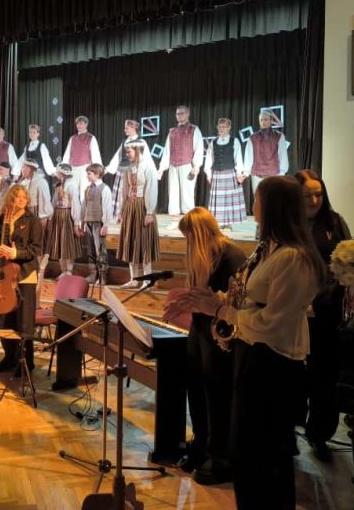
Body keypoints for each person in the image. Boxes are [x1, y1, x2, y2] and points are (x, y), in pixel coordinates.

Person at [179, 176, 324, 510]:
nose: (252, 204)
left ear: (272, 207)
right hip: (253, 358)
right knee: (247, 458)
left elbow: (271, 324)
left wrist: (220, 311)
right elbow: (246, 299)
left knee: (266, 462)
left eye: (256, 199)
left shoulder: (294, 258)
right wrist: (213, 299)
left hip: (275, 366)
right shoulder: (268, 249)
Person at [172, 208, 246, 485]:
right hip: (201, 327)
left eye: (190, 237)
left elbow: (235, 301)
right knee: (195, 385)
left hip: (220, 332)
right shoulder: (204, 255)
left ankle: (220, 453)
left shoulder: (231, 255)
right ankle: (201, 442)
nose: (188, 244)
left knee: (216, 391)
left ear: (200, 233)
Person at [295, 169, 352, 461]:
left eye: (318, 194)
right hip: (293, 311)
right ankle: (290, 430)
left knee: (324, 376)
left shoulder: (335, 222)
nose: (314, 200)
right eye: (307, 195)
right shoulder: (288, 224)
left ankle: (319, 435)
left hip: (326, 312)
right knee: (293, 376)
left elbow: (347, 263)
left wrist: (323, 299)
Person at [0, 185, 43, 374]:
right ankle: (9, 357)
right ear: (10, 199)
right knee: (5, 319)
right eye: (17, 196)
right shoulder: (1, 219)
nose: (21, 200)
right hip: (4, 275)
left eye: (24, 197)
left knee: (24, 321)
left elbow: (36, 249)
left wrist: (15, 253)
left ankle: (25, 362)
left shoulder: (32, 220)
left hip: (25, 274)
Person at [116, 139, 159, 288]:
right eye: (126, 151)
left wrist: (149, 212)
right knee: (131, 242)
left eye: (129, 151)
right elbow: (124, 191)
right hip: (130, 207)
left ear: (138, 150)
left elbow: (151, 189)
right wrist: (121, 211)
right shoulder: (129, 169)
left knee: (144, 243)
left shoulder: (148, 167)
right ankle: (134, 279)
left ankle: (147, 280)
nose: (127, 154)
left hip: (142, 206)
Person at [158, 105, 204, 229]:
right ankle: (175, 221)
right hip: (173, 165)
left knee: (187, 193)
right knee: (173, 193)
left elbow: (199, 148)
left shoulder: (194, 129)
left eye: (182, 113)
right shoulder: (172, 132)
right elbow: (167, 151)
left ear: (188, 114)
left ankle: (189, 222)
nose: (180, 115)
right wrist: (162, 168)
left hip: (187, 165)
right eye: (178, 113)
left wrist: (196, 165)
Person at [204, 118, 247, 229]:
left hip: (230, 173)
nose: (221, 129)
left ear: (229, 128)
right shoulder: (213, 142)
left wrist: (239, 172)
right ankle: (219, 223)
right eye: (220, 127)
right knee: (219, 201)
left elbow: (238, 157)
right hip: (217, 174)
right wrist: (208, 173)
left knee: (229, 200)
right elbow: (209, 158)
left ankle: (228, 223)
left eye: (224, 127)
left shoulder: (234, 141)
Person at [106, 119, 153, 218]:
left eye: (127, 128)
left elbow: (147, 157)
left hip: (133, 170)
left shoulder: (141, 142)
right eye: (125, 128)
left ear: (133, 128)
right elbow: (118, 156)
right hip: (122, 170)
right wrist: (108, 168)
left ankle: (130, 213)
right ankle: (120, 214)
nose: (125, 130)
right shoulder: (125, 141)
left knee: (130, 192)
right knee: (121, 193)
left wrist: (151, 171)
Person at [45, 163, 82, 278]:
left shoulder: (71, 186)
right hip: (58, 215)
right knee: (59, 243)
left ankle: (69, 270)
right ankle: (63, 270)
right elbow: (53, 202)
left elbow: (75, 204)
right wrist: (51, 217)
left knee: (67, 244)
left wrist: (76, 223)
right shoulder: (59, 185)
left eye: (58, 172)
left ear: (63, 173)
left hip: (67, 215)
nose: (56, 173)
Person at [243, 109, 288, 195]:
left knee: (273, 199)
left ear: (271, 121)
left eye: (266, 119)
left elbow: (282, 155)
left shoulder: (279, 136)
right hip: (257, 175)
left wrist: (282, 172)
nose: (263, 122)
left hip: (274, 174)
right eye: (261, 120)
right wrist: (246, 172)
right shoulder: (253, 138)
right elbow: (249, 156)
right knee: (258, 199)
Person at [80, 163, 113, 284]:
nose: (87, 176)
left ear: (97, 174)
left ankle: (102, 275)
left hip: (98, 223)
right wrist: (82, 221)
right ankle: (93, 274)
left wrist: (105, 224)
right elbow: (84, 206)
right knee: (91, 249)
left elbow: (107, 207)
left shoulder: (104, 188)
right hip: (88, 221)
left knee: (100, 250)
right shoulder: (88, 189)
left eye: (89, 174)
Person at [62, 116, 102, 202]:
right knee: (71, 192)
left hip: (85, 169)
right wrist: (63, 169)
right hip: (73, 169)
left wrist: (97, 170)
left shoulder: (91, 138)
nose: (79, 126)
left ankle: (85, 210)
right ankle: (73, 210)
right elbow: (67, 155)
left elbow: (95, 155)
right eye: (77, 124)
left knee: (84, 193)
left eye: (81, 123)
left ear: (86, 124)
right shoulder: (72, 138)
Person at [18, 159, 53, 231]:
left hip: (34, 213)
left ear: (29, 169)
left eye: (23, 167)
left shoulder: (40, 182)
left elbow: (44, 200)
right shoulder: (23, 182)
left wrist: (43, 217)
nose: (21, 170)